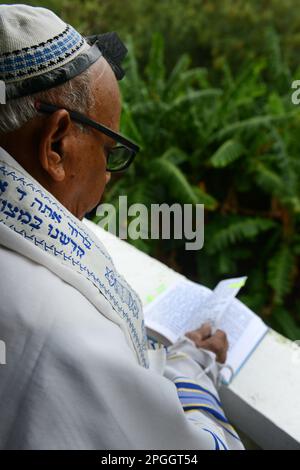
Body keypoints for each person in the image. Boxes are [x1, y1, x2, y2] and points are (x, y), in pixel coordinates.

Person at [0, 4, 244, 450]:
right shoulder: (62, 333)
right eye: (109, 151)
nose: (109, 175)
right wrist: (193, 368)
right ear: (55, 143)